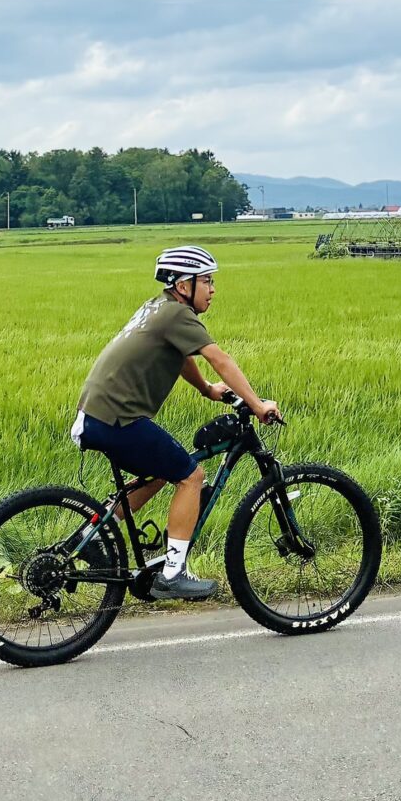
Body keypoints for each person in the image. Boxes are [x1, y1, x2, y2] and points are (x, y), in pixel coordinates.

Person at [74, 245, 280, 602]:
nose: (213, 289)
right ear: (184, 286)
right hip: (119, 417)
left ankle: (90, 538)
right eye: (207, 281)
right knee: (191, 476)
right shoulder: (179, 316)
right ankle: (172, 575)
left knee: (159, 471)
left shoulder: (158, 308)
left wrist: (207, 390)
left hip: (98, 416)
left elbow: (181, 355)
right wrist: (257, 404)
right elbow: (220, 358)